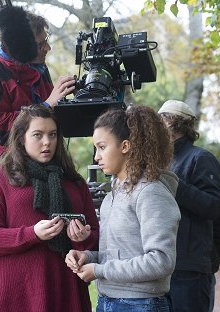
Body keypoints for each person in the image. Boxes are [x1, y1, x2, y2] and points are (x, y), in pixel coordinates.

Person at [0, 105, 99, 311]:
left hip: (66, 293)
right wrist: (32, 234)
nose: (47, 142)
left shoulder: (74, 182)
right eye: (38, 135)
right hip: (16, 297)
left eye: (52, 134)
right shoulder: (0, 179)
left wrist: (83, 239)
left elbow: (95, 235)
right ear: (22, 138)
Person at [65, 105, 181, 312]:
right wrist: (89, 257)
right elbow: (121, 253)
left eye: (102, 147)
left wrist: (100, 270)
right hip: (108, 300)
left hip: (141, 305)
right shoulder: (112, 196)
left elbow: (161, 261)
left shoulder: (151, 193)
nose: (96, 157)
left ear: (125, 146)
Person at [0, 5, 76, 178]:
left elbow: (52, 118)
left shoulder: (39, 69)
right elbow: (0, 132)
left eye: (46, 40)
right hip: (9, 173)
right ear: (19, 46)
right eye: (40, 45)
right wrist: (48, 104)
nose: (48, 48)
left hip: (47, 167)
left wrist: (71, 103)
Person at [158, 99, 220, 312]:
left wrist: (173, 184)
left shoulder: (201, 158)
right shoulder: (162, 160)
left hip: (190, 268)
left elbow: (214, 207)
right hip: (162, 264)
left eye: (160, 120)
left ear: (173, 123)